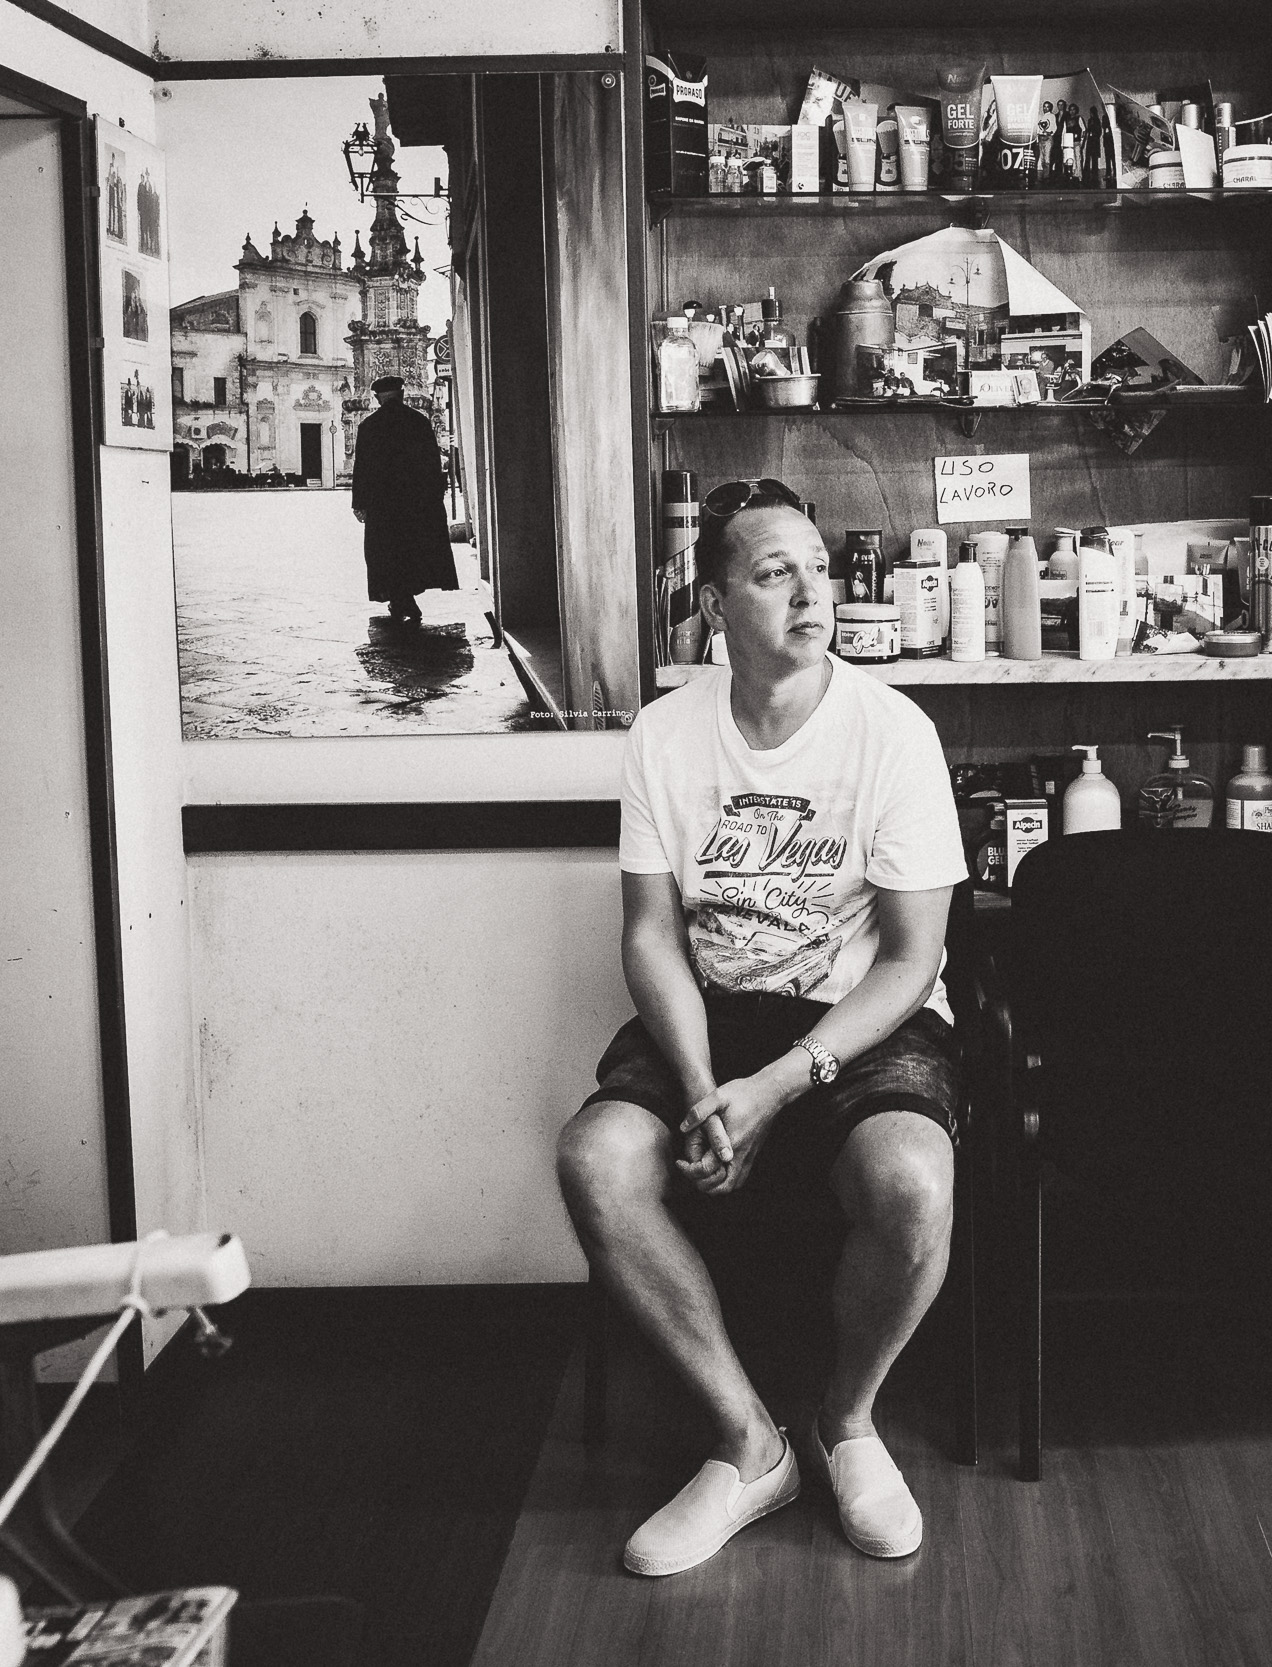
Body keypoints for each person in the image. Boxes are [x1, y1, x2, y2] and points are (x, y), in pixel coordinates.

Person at [555, 478, 968, 1574]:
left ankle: (849, 1422)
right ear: (713, 601)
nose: (810, 592)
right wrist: (700, 1088)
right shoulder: (665, 732)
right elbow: (649, 933)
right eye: (774, 572)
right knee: (596, 1160)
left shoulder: (893, 732)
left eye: (818, 568)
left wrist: (780, 1083)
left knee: (913, 1181)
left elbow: (911, 956)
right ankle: (749, 1443)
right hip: (713, 1013)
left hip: (859, 1017)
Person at [349, 375, 458, 625]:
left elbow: (362, 468)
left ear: (378, 398)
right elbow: (432, 463)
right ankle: (404, 595)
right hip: (415, 503)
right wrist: (435, 497)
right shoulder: (418, 421)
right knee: (412, 549)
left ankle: (399, 597)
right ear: (401, 394)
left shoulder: (369, 426)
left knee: (386, 552)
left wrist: (359, 503)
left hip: (383, 505)